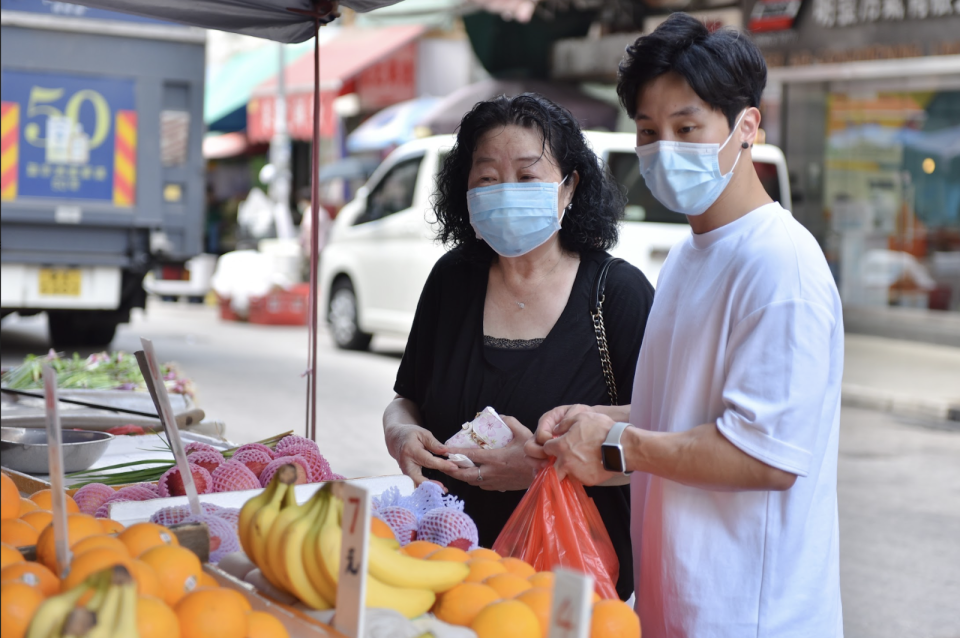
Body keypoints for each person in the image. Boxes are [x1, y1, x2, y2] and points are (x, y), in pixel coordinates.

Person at [526, 13, 844, 637]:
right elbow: (683, 418)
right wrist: (593, 423)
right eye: (648, 130)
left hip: (750, 618)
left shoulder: (781, 265)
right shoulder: (688, 254)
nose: (663, 149)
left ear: (746, 126)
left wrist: (619, 444)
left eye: (686, 127)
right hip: (675, 608)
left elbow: (764, 455)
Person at [383, 94, 655, 599]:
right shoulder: (452, 280)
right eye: (487, 178)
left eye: (527, 177)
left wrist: (540, 469)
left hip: (571, 580)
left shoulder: (616, 293)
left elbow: (659, 438)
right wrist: (400, 434)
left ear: (568, 186)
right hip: (447, 572)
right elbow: (407, 400)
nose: (506, 192)